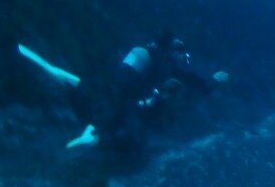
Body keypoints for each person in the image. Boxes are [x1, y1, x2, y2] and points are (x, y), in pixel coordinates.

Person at [64, 32, 228, 154]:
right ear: (174, 51)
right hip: (132, 99)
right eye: (181, 54)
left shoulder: (147, 52)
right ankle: (94, 138)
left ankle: (72, 87)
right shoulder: (165, 62)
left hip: (115, 89)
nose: (183, 59)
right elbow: (191, 80)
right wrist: (213, 81)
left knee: (106, 110)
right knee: (123, 132)